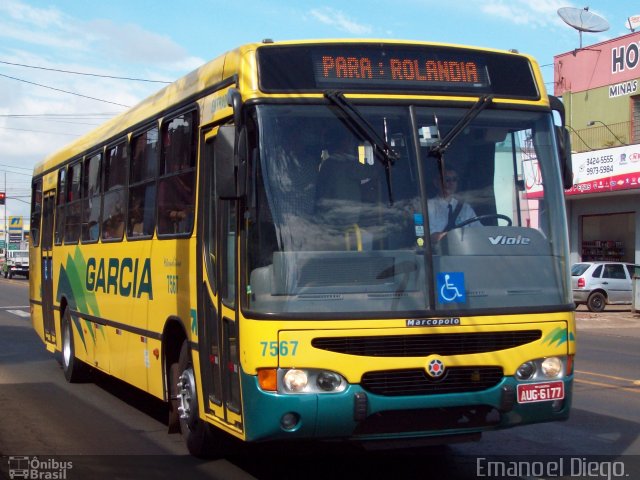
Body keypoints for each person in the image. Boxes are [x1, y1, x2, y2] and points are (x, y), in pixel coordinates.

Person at [427, 167, 479, 243]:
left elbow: (479, 231)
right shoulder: (428, 206)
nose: (451, 183)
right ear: (436, 183)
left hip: (466, 251)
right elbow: (428, 237)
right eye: (447, 180)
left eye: (454, 179)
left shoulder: (465, 207)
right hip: (438, 253)